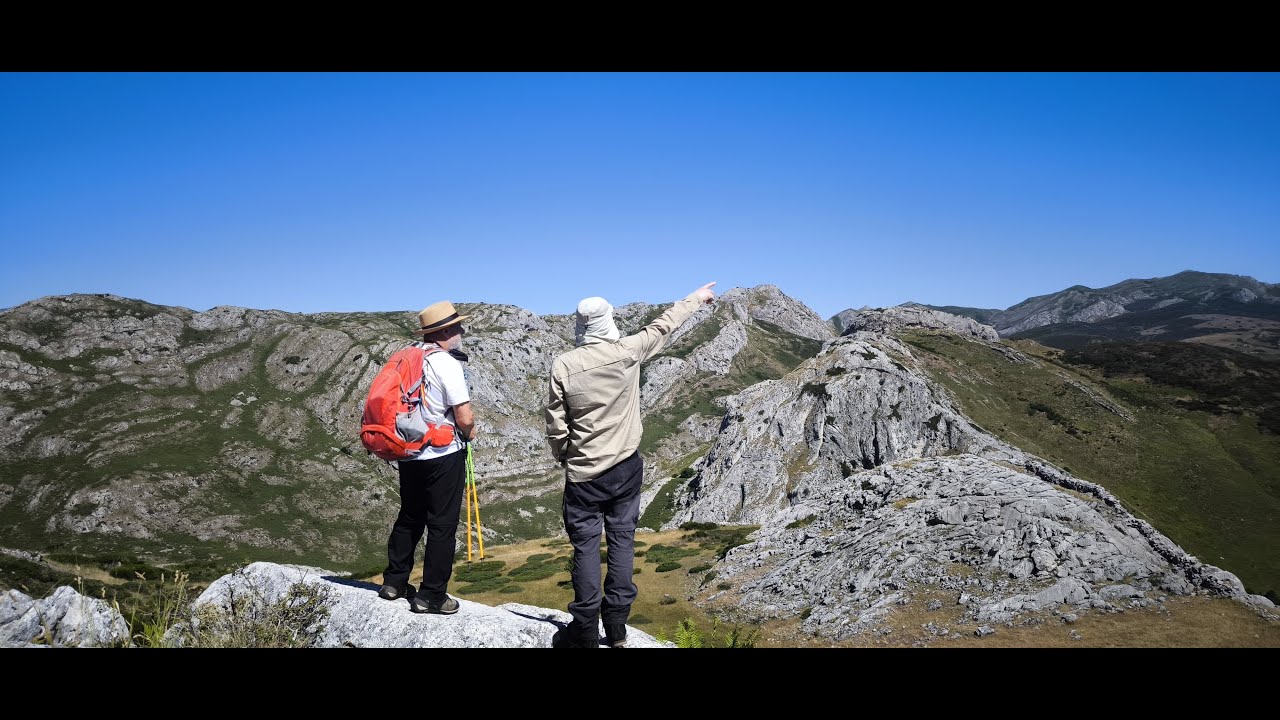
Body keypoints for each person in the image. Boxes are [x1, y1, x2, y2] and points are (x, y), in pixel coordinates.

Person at [545, 282, 717, 647]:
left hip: (584, 475)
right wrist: (696, 299)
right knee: (622, 541)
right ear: (608, 320)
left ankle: (586, 631)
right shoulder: (628, 351)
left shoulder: (564, 365)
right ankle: (618, 628)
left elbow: (556, 423)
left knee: (586, 549)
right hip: (625, 468)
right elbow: (664, 325)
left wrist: (565, 457)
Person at [377, 300, 477, 615]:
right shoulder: (447, 363)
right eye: (457, 325)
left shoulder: (409, 357)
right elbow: (464, 416)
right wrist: (470, 432)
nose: (461, 329)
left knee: (410, 515)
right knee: (442, 525)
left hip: (409, 453)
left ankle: (394, 582)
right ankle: (432, 596)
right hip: (441, 454)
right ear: (445, 330)